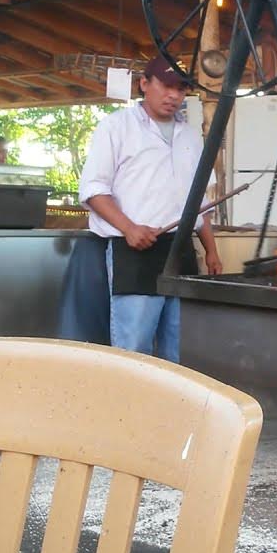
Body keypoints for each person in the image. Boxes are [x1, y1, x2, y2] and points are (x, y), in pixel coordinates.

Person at [77, 56, 222, 362]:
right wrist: (130, 228)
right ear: (144, 84)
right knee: (135, 349)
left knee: (182, 348)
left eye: (181, 89)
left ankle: (181, 410)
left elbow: (199, 202)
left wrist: (211, 250)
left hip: (182, 250)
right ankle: (128, 410)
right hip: (137, 249)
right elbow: (93, 190)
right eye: (167, 86)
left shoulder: (191, 136)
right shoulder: (117, 127)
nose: (174, 96)